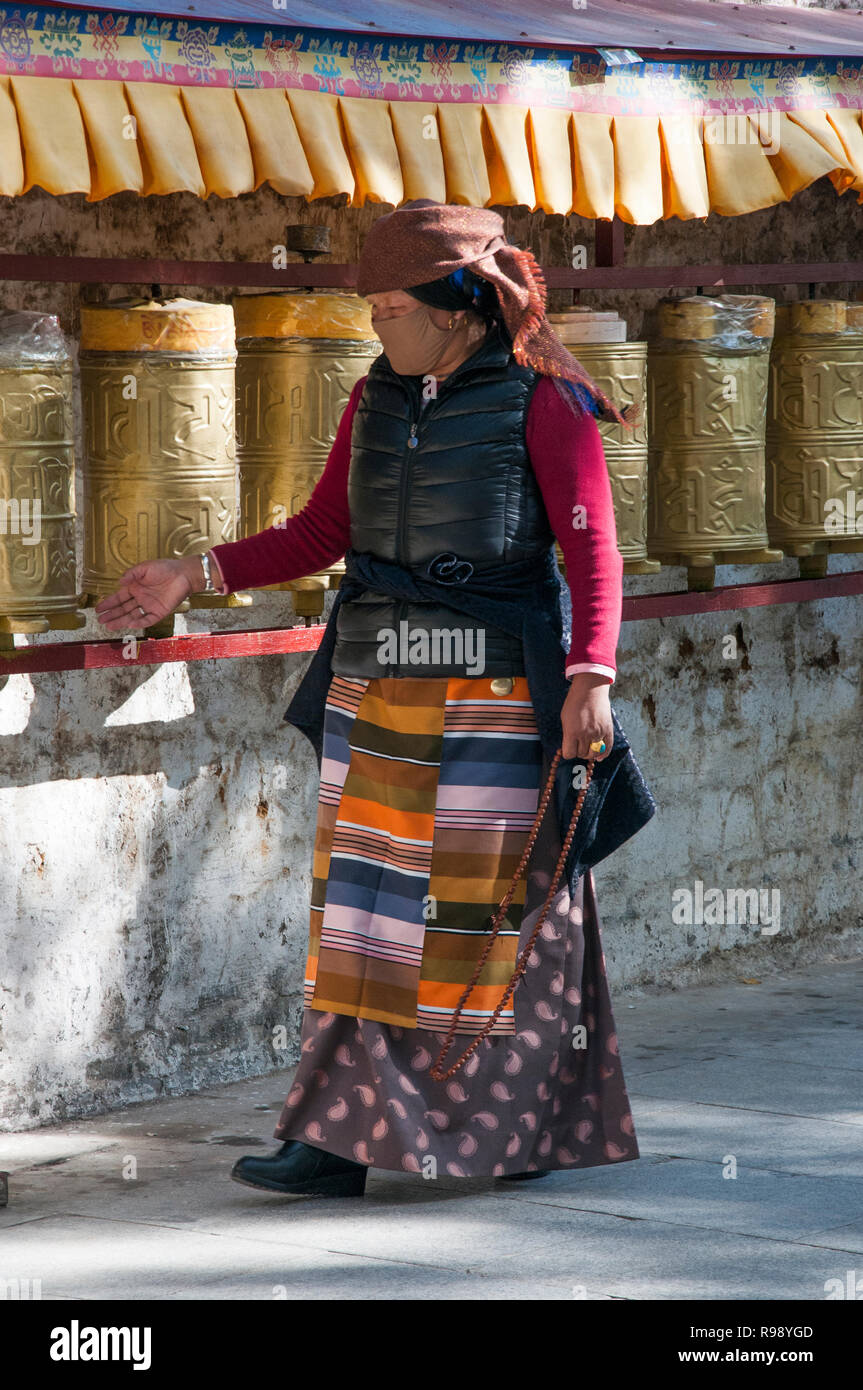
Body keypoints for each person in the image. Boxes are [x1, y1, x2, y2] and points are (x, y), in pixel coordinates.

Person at [95, 200, 654, 1198]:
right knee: (361, 918)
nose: (377, 326)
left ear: (457, 308)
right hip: (376, 686)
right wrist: (195, 568)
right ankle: (335, 1138)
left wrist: (591, 677)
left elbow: (591, 549)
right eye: (372, 309)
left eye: (392, 307)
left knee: (483, 918)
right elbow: (320, 531)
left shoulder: (543, 400)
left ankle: (506, 1126)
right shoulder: (373, 399)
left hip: (493, 692)